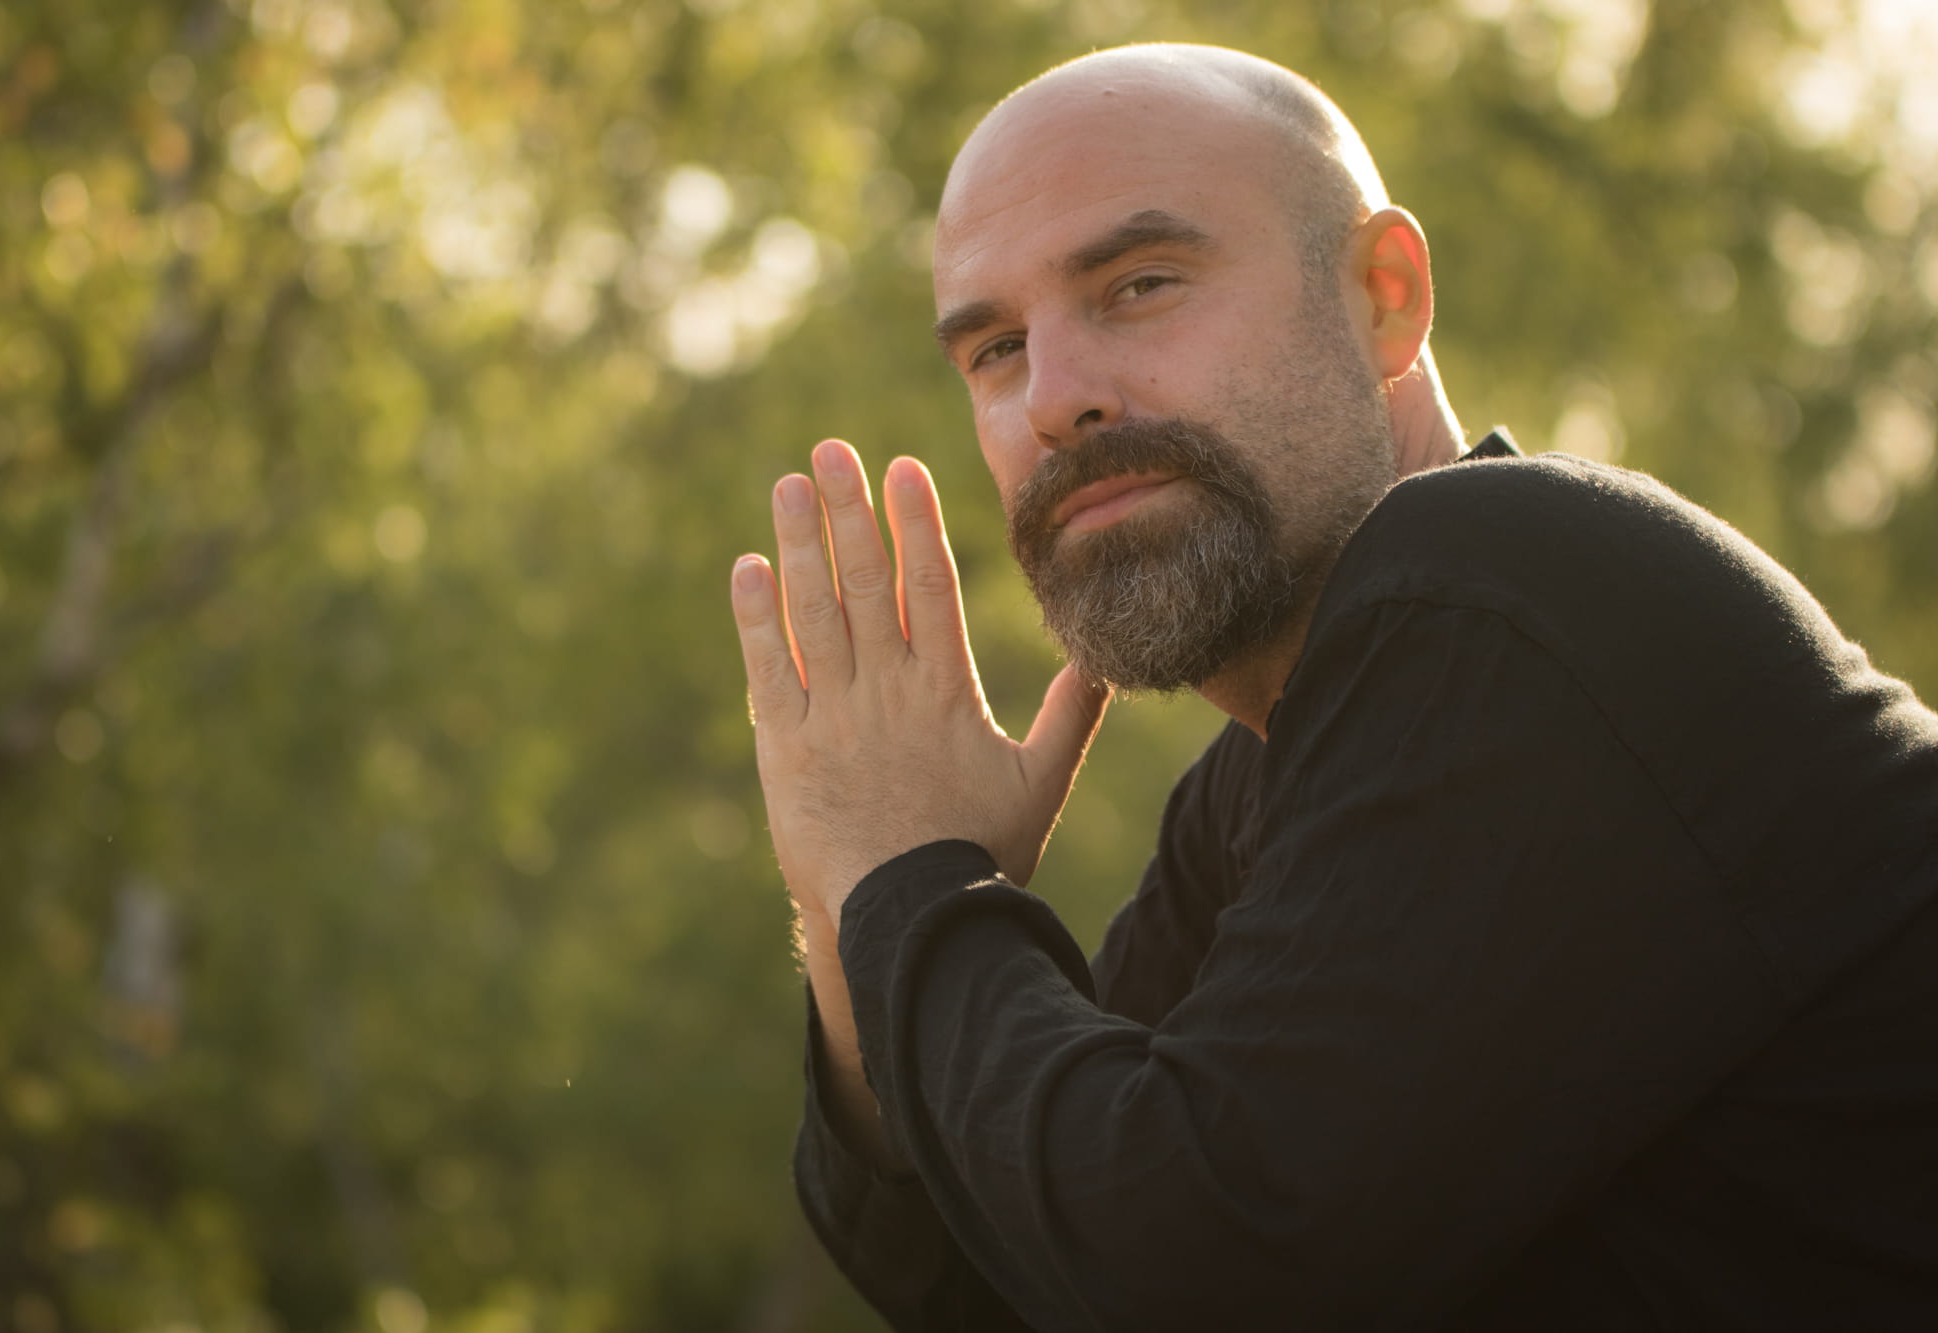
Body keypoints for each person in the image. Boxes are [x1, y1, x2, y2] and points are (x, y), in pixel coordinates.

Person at [727, 42, 1938, 1331]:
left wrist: (910, 881)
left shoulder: (1514, 589)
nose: (1055, 401)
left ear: (1384, 298)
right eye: (998, 349)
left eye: (1139, 285)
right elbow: (990, 1290)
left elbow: (1202, 1274)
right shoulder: (1259, 783)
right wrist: (863, 902)